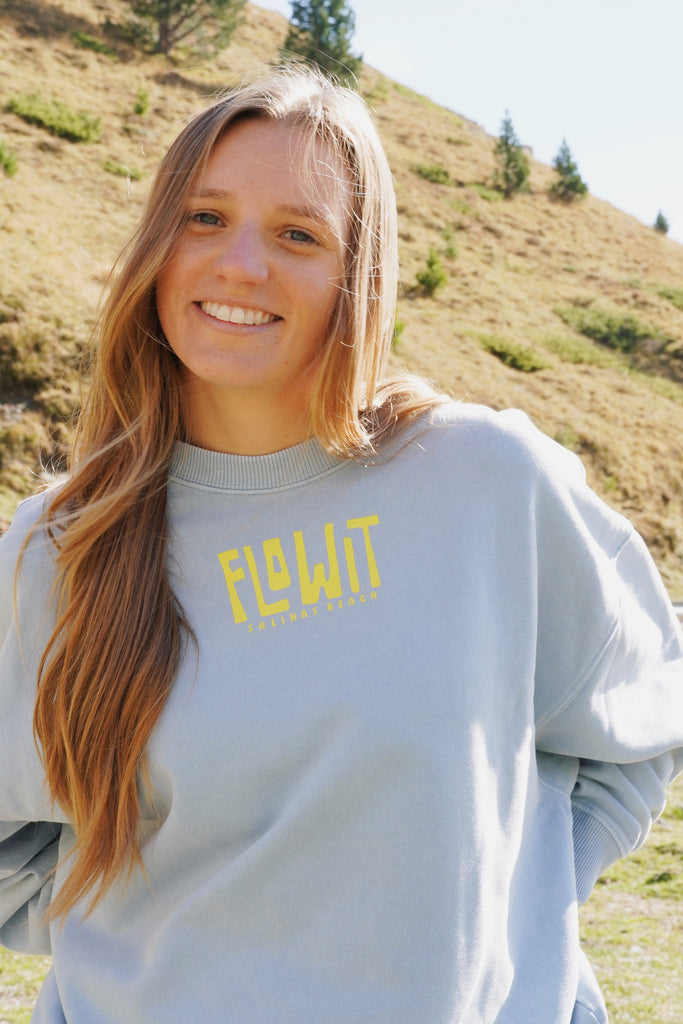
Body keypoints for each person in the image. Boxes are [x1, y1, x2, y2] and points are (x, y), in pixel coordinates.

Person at [1, 66, 682, 1024]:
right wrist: (155, 951)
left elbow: (644, 714)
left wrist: (520, 899)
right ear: (156, 243)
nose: (241, 265)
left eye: (298, 234)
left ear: (358, 275)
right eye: (204, 218)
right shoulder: (63, 545)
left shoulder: (484, 483)